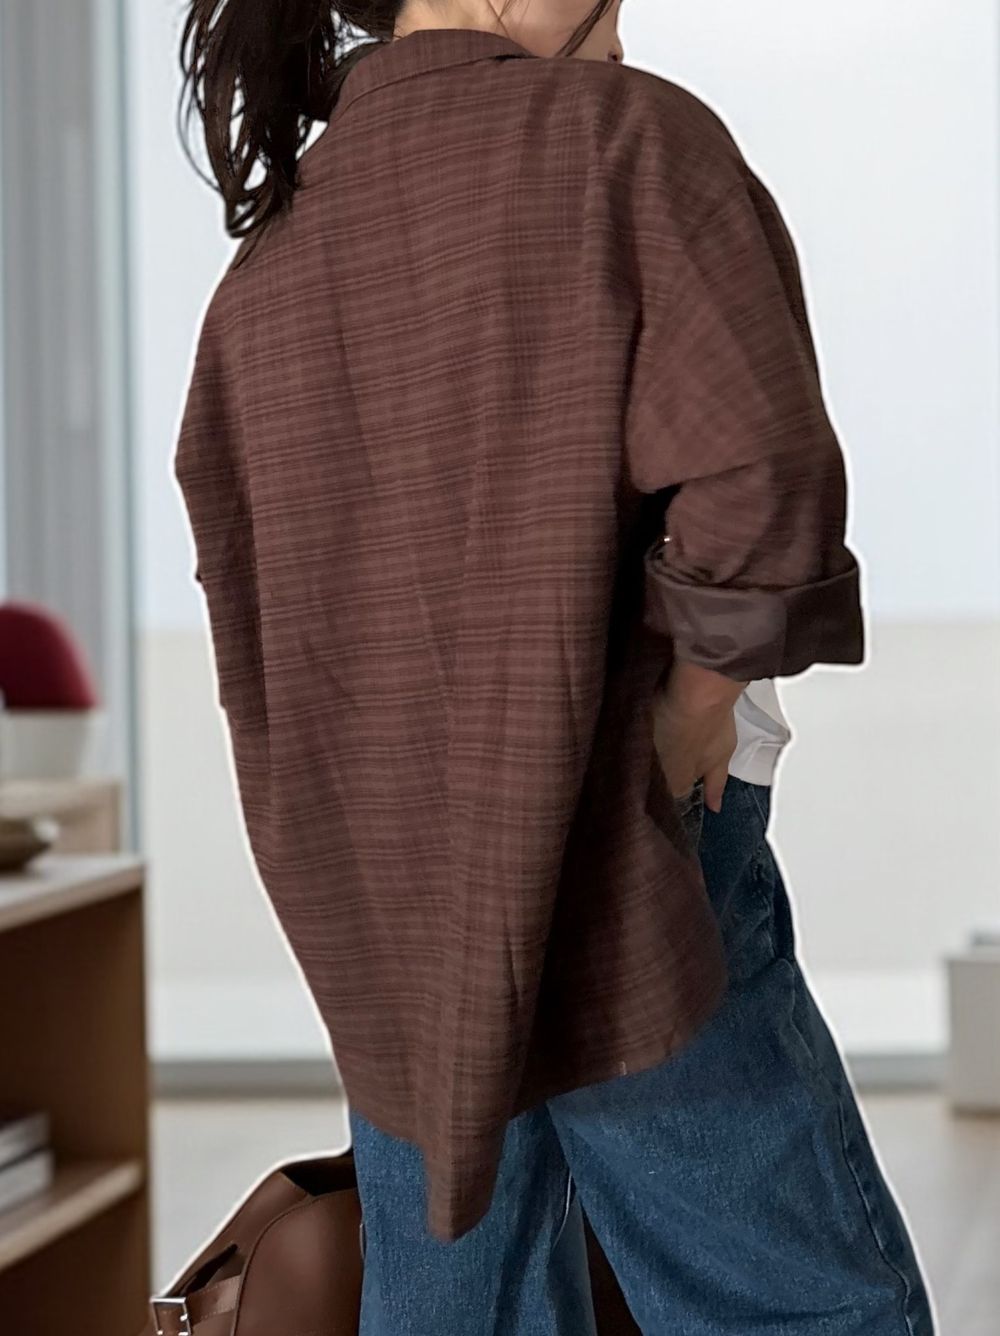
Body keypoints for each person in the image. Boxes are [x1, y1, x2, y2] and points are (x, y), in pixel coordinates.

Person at [175, 0, 935, 1331]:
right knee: (788, 1297)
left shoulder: (271, 261)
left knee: (461, 1304)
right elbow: (761, 474)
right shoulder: (623, 141)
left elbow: (254, 602)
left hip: (396, 896)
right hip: (617, 844)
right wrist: (698, 702)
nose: (622, 28)